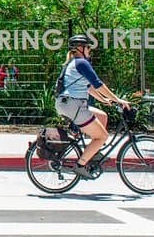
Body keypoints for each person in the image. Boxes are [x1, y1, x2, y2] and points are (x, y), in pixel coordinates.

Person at [55, 34, 131, 176]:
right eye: (88, 47)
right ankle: (81, 165)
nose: (89, 50)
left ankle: (92, 152)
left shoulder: (75, 63)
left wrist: (103, 100)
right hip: (73, 104)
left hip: (69, 103)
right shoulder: (81, 63)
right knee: (102, 136)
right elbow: (98, 84)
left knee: (102, 116)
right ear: (80, 48)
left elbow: (89, 87)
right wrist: (118, 100)